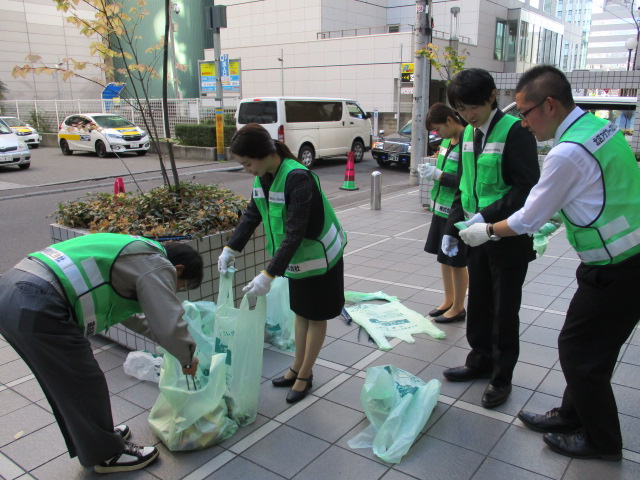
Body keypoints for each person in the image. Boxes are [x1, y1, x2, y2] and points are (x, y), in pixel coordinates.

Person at [459, 65, 640, 461]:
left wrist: (485, 230)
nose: (523, 121)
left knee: (577, 352)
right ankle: (571, 416)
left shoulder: (567, 151)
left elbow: (529, 217)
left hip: (618, 266)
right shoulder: (596, 127)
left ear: (551, 105)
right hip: (619, 259)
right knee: (591, 351)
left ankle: (602, 441)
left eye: (525, 112)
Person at [0, 234, 203, 473]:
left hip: (14, 290)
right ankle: (106, 454)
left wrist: (176, 348)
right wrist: (187, 355)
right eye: (183, 284)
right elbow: (167, 320)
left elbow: (137, 319)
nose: (178, 290)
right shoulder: (157, 263)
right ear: (178, 269)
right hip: (38, 299)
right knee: (84, 381)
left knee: (70, 382)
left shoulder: (136, 252)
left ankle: (100, 437)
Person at [217, 123, 346, 404]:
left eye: (247, 163)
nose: (246, 169)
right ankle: (296, 367)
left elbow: (295, 232)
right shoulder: (263, 177)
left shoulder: (298, 178)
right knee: (301, 312)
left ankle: (305, 374)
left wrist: (268, 275)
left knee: (316, 316)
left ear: (264, 154)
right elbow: (252, 215)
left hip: (322, 257)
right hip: (299, 260)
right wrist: (230, 248)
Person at [440, 68, 540, 408]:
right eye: (462, 109)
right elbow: (464, 187)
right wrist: (452, 229)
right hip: (474, 237)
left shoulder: (516, 131)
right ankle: (479, 361)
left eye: (473, 107)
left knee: (504, 311)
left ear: (492, 96)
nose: (468, 115)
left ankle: (501, 378)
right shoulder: (468, 134)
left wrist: (487, 217)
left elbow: (527, 189)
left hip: (507, 239)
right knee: (479, 302)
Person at [418, 103, 468, 323]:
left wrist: (438, 175)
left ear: (450, 120)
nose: (437, 135)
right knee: (443, 258)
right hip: (440, 208)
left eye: (438, 129)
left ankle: (458, 307)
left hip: (456, 211)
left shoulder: (468, 142)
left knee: (456, 260)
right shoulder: (448, 141)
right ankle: (448, 300)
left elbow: (465, 181)